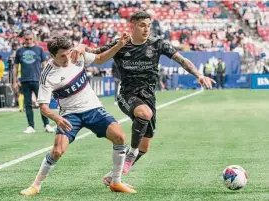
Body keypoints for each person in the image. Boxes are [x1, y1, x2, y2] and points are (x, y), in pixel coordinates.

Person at [87, 11, 216, 179]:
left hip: (148, 97)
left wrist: (199, 75)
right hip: (127, 94)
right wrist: (82, 48)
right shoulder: (120, 44)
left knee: (145, 147)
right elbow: (96, 54)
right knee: (144, 114)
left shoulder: (157, 44)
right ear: (132, 27)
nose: (146, 29)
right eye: (142, 25)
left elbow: (182, 60)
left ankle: (113, 176)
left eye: (148, 25)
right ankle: (131, 153)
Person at [19, 33, 136, 196]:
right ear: (52, 55)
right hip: (69, 115)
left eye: (68, 53)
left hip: (93, 109)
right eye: (62, 56)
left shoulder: (76, 55)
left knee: (120, 137)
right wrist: (57, 118)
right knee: (57, 151)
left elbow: (101, 59)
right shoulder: (47, 75)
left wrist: (119, 45)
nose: (67, 58)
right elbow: (43, 107)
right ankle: (35, 185)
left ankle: (116, 181)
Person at [12, 30, 54, 134]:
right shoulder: (19, 51)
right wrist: (14, 81)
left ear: (33, 38)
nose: (29, 41)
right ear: (24, 39)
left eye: (31, 39)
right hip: (25, 80)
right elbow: (15, 67)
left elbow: (45, 65)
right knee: (28, 104)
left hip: (38, 80)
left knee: (42, 103)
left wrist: (47, 80)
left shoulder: (39, 49)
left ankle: (47, 124)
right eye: (27, 39)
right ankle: (31, 126)